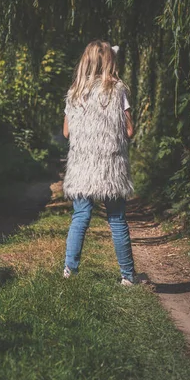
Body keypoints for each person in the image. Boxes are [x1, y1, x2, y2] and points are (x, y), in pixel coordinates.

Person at [62, 40, 136, 286]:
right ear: (109, 62)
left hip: (82, 165)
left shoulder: (74, 92)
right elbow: (129, 130)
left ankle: (70, 270)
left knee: (81, 215)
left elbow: (66, 132)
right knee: (116, 219)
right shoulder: (117, 90)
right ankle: (127, 276)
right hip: (110, 167)